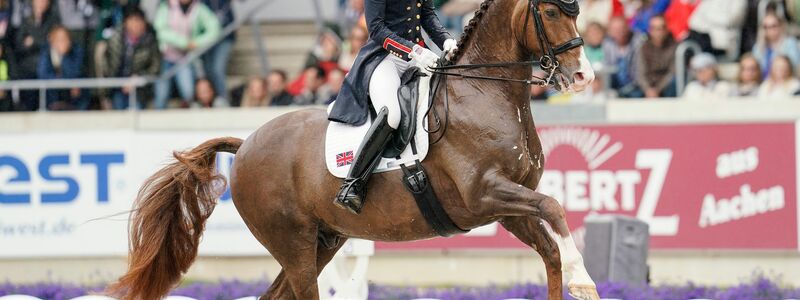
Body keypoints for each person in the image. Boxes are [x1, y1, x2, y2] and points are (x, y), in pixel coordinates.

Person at [327, 0, 457, 214]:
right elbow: (376, 28)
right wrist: (412, 50)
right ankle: (352, 184)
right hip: (385, 57)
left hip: (417, 56)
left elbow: (427, 16)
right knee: (392, 115)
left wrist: (447, 40)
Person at [152, 0, 221, 109]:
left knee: (188, 92)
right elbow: (159, 30)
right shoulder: (166, 6)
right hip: (165, 57)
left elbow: (215, 29)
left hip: (185, 58)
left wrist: (197, 42)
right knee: (162, 94)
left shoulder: (199, 8)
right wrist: (183, 43)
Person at [103, 7, 161, 110]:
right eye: (132, 20)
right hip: (117, 86)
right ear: (126, 22)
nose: (136, 24)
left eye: (139, 20)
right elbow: (106, 65)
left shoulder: (151, 41)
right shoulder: (114, 40)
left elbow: (155, 68)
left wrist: (138, 78)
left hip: (140, 89)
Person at [11, 0, 59, 110]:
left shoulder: (53, 20)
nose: (41, 4)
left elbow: (51, 41)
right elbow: (19, 44)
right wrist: (41, 40)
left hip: (47, 64)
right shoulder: (26, 21)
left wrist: (33, 41)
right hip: (28, 66)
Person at [37, 25, 88, 110]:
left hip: (73, 98)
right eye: (59, 39)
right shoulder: (46, 52)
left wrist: (64, 56)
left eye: (65, 38)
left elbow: (75, 73)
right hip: (53, 95)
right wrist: (61, 81)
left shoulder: (77, 50)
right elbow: (43, 74)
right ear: (52, 40)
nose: (63, 42)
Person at [202, 0, 235, 103]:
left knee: (217, 69)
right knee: (208, 70)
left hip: (226, 35)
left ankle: (223, 99)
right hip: (206, 37)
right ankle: (211, 100)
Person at [635, 15, 676, 98]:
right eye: (654, 28)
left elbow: (672, 73)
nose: (658, 32)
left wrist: (658, 89)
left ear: (666, 29)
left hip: (665, 86)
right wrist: (648, 89)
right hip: (647, 86)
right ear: (650, 30)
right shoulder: (644, 47)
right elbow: (640, 73)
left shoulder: (674, 47)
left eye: (661, 28)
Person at [603, 16, 643, 98]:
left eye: (621, 28)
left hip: (636, 86)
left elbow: (640, 70)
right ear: (610, 31)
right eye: (615, 30)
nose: (619, 32)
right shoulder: (607, 44)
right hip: (614, 86)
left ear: (627, 28)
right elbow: (607, 66)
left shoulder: (638, 43)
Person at [752, 13, 800, 78]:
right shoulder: (757, 47)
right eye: (766, 27)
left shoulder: (790, 43)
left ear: (781, 26)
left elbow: (794, 66)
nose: (770, 30)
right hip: (763, 83)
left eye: (773, 26)